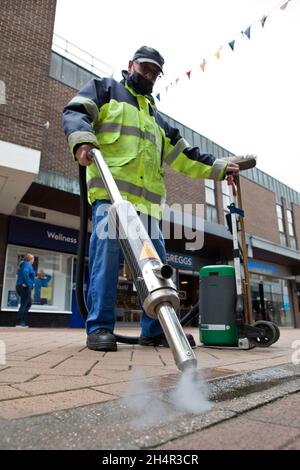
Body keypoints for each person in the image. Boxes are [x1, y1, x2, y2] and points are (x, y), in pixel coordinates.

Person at [62, 45, 242, 352]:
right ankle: (100, 328)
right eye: (145, 69)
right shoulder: (106, 90)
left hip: (147, 210)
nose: (150, 76)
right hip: (111, 200)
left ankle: (155, 330)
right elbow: (76, 112)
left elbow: (187, 156)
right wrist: (82, 141)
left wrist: (220, 167)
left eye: (156, 73)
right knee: (107, 263)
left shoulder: (157, 119)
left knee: (157, 269)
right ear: (131, 65)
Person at [15, 253, 35, 327]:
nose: (33, 261)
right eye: (33, 259)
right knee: (24, 304)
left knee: (28, 303)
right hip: (24, 287)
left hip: (21, 286)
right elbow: (25, 273)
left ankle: (22, 321)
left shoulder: (24, 265)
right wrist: (29, 284)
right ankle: (20, 322)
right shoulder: (27, 265)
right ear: (30, 259)